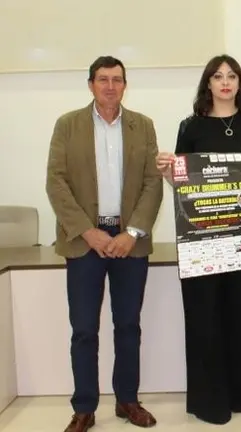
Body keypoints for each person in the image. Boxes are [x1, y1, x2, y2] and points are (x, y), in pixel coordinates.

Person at [45, 56, 163, 432]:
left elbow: (153, 183)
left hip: (130, 243)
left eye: (117, 79)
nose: (110, 86)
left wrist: (133, 232)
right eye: (102, 79)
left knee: (128, 325)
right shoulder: (68, 125)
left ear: (125, 85)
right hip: (85, 243)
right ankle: (84, 407)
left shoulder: (143, 125)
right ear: (91, 84)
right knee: (84, 329)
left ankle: (127, 400)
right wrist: (87, 231)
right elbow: (56, 182)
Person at [154, 55, 241, 425]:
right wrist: (167, 172)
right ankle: (208, 401)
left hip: (239, 234)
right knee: (204, 317)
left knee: (240, 315)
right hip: (201, 237)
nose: (225, 82)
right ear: (208, 83)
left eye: (231, 76)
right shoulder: (191, 126)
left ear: (239, 82)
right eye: (218, 76)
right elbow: (183, 183)